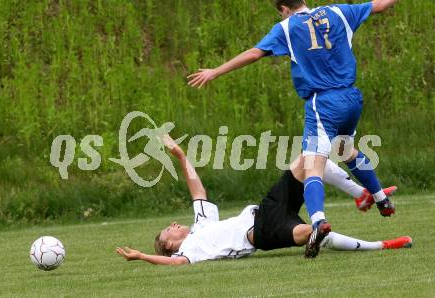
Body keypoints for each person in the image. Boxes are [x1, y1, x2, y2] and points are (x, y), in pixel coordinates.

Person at [187, 0, 400, 258]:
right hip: (351, 98)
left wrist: (215, 72)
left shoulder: (286, 27)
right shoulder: (337, 12)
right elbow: (380, 4)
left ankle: (319, 221)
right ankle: (380, 198)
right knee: (346, 150)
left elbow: (254, 53)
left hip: (323, 102)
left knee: (312, 163)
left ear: (283, 8)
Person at [116, 135, 411, 265]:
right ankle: (383, 245)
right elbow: (175, 265)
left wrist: (181, 156)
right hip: (262, 235)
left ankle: (361, 195)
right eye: (168, 230)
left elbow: (198, 190)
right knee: (315, 231)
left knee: (308, 158)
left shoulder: (200, 224)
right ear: (168, 246)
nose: (173, 224)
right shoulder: (189, 252)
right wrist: (143, 256)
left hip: (266, 210)